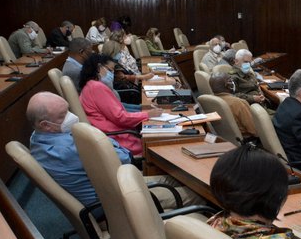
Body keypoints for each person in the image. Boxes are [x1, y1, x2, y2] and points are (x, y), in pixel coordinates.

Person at [26, 91, 197, 210]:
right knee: (199, 192)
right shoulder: (68, 148)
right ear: (46, 125)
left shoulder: (37, 138)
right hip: (116, 200)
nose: (71, 116)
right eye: (63, 115)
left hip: (111, 189)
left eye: (68, 110)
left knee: (179, 177)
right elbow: (123, 160)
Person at [79, 53, 150, 155]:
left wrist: (143, 110)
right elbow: (120, 117)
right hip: (117, 138)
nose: (112, 74)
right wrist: (148, 114)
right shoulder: (97, 88)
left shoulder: (90, 85)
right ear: (99, 67)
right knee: (156, 144)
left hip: (111, 134)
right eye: (110, 70)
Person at [209, 72, 258, 138]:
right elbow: (254, 131)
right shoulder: (238, 103)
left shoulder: (210, 100)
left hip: (224, 138)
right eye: (230, 80)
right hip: (247, 140)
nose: (233, 82)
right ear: (228, 85)